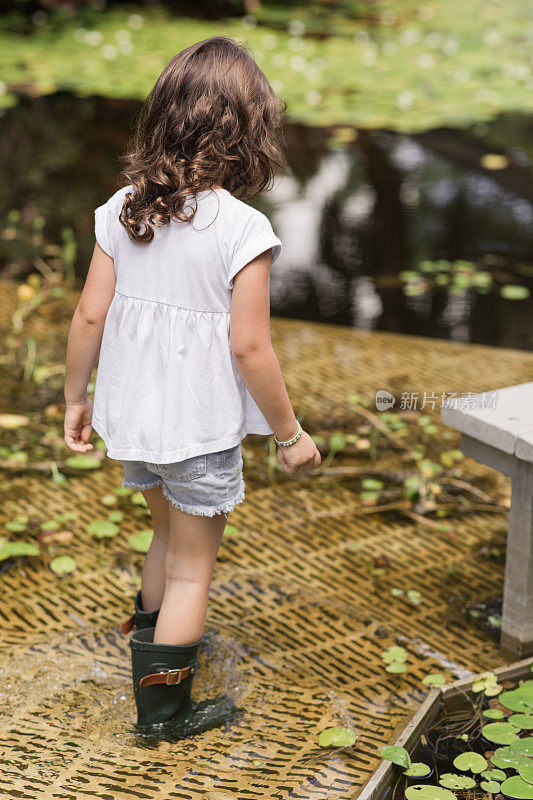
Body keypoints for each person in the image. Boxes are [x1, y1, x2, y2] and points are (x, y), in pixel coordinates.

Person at [63, 36, 321, 736]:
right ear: (249, 132)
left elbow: (89, 313)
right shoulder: (243, 229)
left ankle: (157, 646)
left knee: (164, 536)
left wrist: (76, 399)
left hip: (135, 422)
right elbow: (249, 345)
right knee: (191, 571)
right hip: (196, 430)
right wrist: (290, 436)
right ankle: (166, 713)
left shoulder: (125, 208)